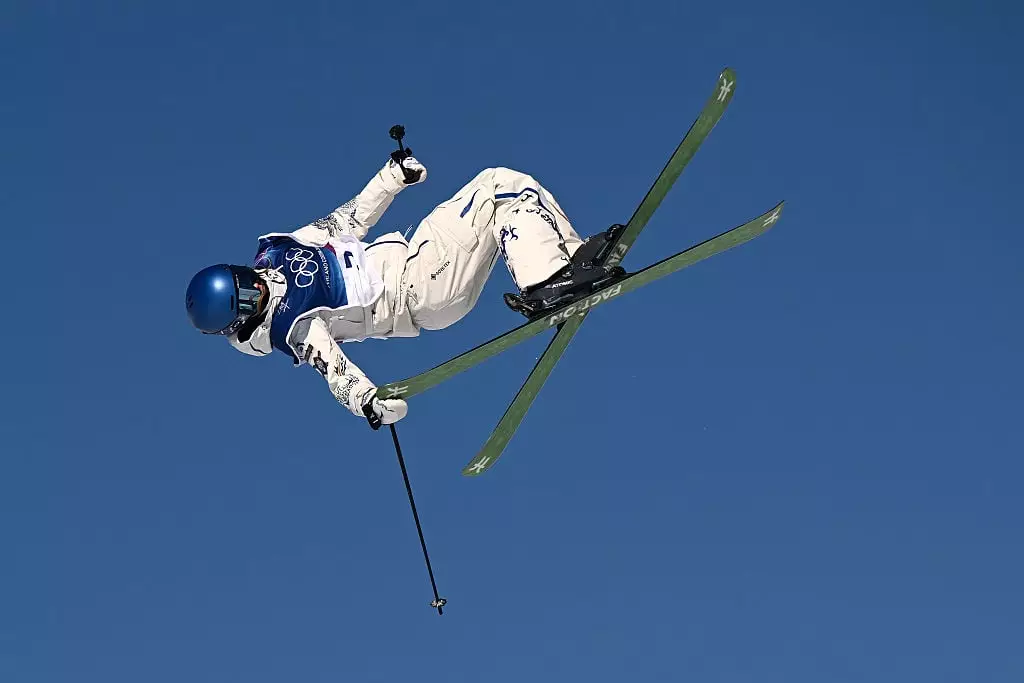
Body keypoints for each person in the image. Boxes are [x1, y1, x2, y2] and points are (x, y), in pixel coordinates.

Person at [184, 152, 621, 427]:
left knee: (504, 185)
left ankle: (568, 264)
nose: (258, 289)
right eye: (247, 300)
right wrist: (367, 402)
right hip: (417, 287)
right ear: (241, 319)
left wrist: (391, 178)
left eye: (245, 280)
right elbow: (333, 369)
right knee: (498, 191)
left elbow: (346, 222)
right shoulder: (291, 326)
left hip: (418, 258)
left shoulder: (278, 251)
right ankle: (548, 283)